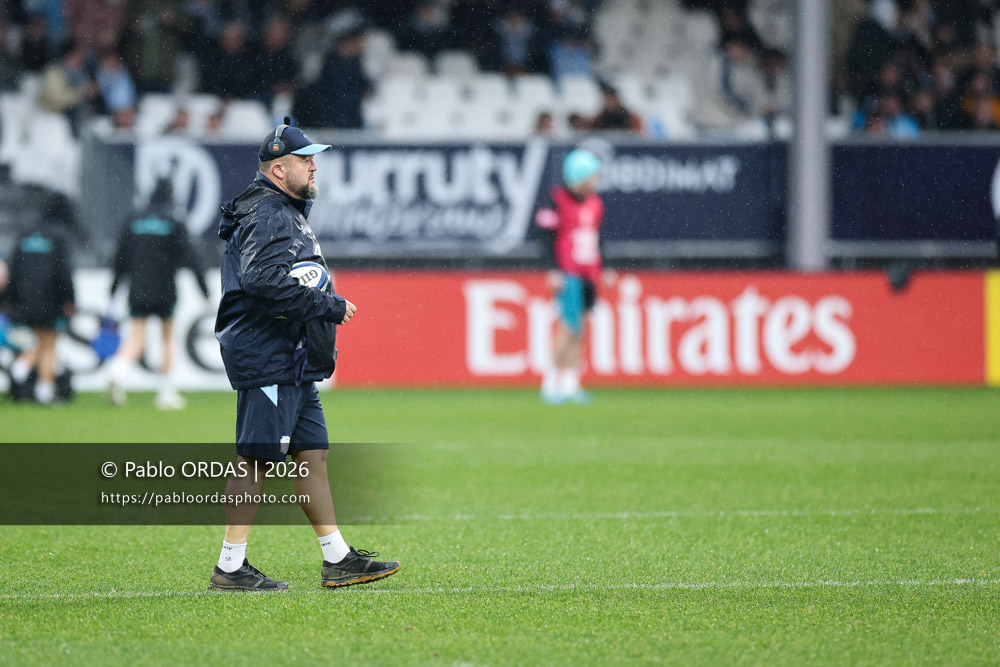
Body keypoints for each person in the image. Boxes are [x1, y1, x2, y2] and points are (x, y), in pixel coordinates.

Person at [209, 119, 400, 592]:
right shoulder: (270, 212)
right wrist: (328, 306)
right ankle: (230, 567)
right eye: (304, 160)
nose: (314, 167)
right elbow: (263, 282)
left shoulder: (283, 209)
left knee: (311, 455)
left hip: (290, 356)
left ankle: (338, 559)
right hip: (268, 353)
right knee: (255, 460)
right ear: (278, 169)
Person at [105, 177, 209, 410]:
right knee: (167, 340)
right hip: (165, 290)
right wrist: (204, 290)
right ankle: (166, 393)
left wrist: (113, 289)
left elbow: (120, 258)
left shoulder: (134, 219)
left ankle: (116, 372)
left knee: (137, 338)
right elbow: (192, 257)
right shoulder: (173, 221)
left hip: (138, 288)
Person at [535, 149, 614, 405]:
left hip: (589, 272)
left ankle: (571, 383)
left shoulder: (595, 204)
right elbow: (546, 239)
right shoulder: (555, 200)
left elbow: (598, 239)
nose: (596, 180)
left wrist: (606, 267)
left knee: (582, 328)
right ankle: (551, 382)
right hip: (568, 273)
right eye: (592, 175)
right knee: (569, 328)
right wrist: (553, 269)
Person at [5, 198, 76, 404]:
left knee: (34, 344)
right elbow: (64, 272)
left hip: (25, 301)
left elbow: (13, 269)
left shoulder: (25, 234)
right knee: (48, 346)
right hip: (51, 301)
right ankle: (43, 392)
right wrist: (69, 299)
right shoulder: (60, 236)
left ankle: (19, 372)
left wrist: (12, 299)